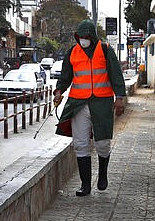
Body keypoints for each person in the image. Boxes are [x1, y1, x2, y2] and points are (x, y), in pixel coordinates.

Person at [53, 19, 126, 196]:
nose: (82, 40)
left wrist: (120, 97)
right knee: (80, 144)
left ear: (92, 36)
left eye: (86, 37)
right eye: (80, 37)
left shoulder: (105, 49)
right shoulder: (73, 52)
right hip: (78, 103)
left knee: (102, 142)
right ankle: (85, 185)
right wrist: (59, 91)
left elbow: (115, 73)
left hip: (101, 102)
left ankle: (102, 176)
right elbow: (65, 76)